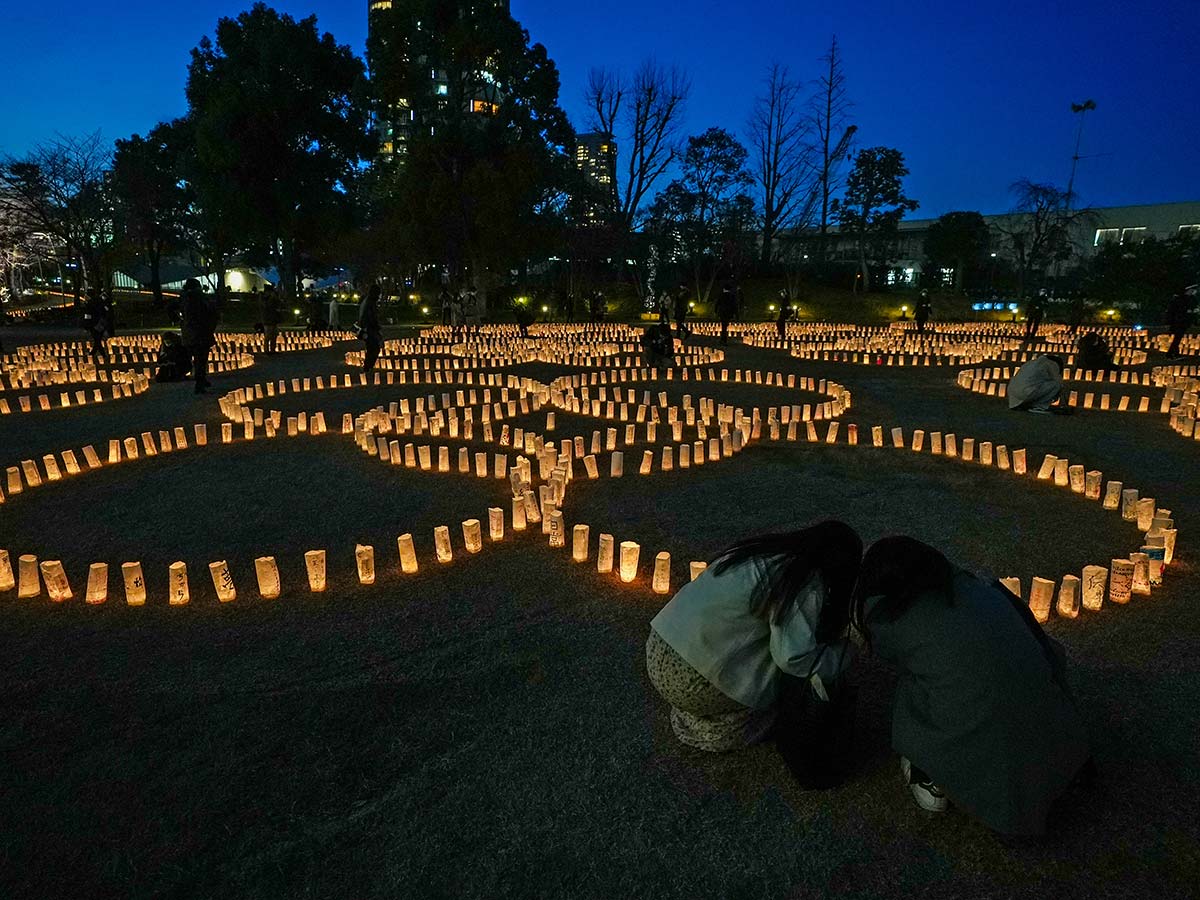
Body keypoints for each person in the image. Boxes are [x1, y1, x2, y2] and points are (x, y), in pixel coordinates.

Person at [851, 537, 1092, 835]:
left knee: (911, 688)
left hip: (1007, 784)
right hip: (1063, 747)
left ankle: (927, 773)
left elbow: (883, 654)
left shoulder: (896, 620)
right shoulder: (986, 591)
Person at [647, 522, 862, 753]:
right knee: (772, 711)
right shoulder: (801, 581)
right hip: (691, 678)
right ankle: (707, 717)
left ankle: (698, 707)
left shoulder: (758, 553)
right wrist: (844, 652)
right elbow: (793, 658)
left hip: (658, 649)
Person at [180, 278, 218, 394]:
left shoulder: (184, 298)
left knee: (197, 359)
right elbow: (210, 312)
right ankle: (199, 383)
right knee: (201, 359)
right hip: (201, 333)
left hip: (190, 334)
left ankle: (201, 379)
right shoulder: (199, 298)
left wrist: (180, 321)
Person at [357, 284, 382, 373]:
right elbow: (371, 317)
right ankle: (368, 367)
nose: (379, 296)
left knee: (372, 348)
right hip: (370, 329)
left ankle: (368, 367)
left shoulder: (367, 301)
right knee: (374, 348)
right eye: (378, 294)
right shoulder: (370, 302)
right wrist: (376, 327)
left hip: (369, 329)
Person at [1166, 285, 1196, 358]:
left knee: (1177, 339)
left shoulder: (1184, 298)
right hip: (1179, 322)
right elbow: (1179, 310)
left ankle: (1175, 353)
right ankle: (1170, 354)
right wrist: (1189, 311)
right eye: (1191, 290)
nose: (1193, 292)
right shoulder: (1182, 299)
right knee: (1177, 339)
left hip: (1180, 322)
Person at [82, 290, 108, 361]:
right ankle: (96, 354)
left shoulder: (89, 304)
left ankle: (98, 354)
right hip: (101, 324)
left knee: (97, 340)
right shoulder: (101, 302)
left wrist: (86, 327)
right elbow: (106, 312)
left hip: (93, 324)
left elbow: (87, 316)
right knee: (98, 340)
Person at [716, 280, 739, 346]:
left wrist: (716, 311)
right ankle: (723, 339)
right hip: (729, 313)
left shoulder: (721, 295)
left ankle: (723, 339)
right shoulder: (732, 296)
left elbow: (717, 303)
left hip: (722, 313)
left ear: (724, 289)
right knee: (725, 326)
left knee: (724, 326)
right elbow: (734, 305)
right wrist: (736, 314)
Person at [260, 285, 281, 354]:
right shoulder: (264, 298)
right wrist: (271, 298)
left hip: (274, 318)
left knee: (274, 335)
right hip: (267, 319)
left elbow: (278, 304)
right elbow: (266, 306)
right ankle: (266, 350)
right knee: (268, 335)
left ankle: (273, 349)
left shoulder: (274, 298)